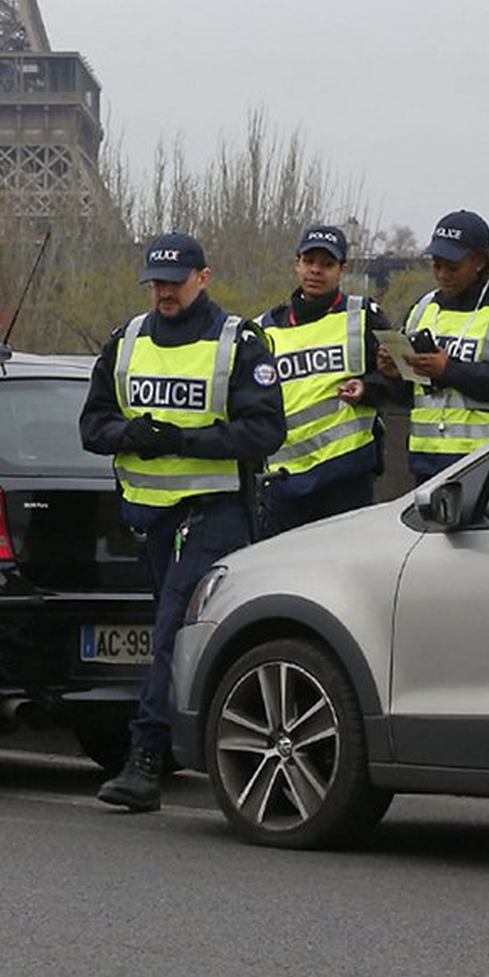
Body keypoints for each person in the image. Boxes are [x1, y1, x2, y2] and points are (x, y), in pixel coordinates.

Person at [80, 232, 285, 812]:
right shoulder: (126, 340)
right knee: (177, 636)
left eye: (175, 280)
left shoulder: (238, 343)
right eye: (157, 282)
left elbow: (266, 431)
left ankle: (144, 760)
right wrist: (131, 434)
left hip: (215, 511)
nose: (164, 291)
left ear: (204, 277)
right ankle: (191, 742)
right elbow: (92, 425)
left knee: (171, 627)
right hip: (150, 517)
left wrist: (183, 441)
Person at [377, 211, 489, 484]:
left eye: (453, 267)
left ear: (480, 261)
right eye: (436, 265)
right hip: (428, 462)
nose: (443, 275)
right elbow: (411, 396)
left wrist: (449, 370)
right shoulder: (423, 308)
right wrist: (394, 373)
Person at [254, 223, 399, 535]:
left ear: (342, 269)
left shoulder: (365, 314)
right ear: (297, 264)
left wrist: (367, 387)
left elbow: (400, 378)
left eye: (327, 264)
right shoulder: (265, 328)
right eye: (309, 262)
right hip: (285, 479)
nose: (316, 271)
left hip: (345, 475)